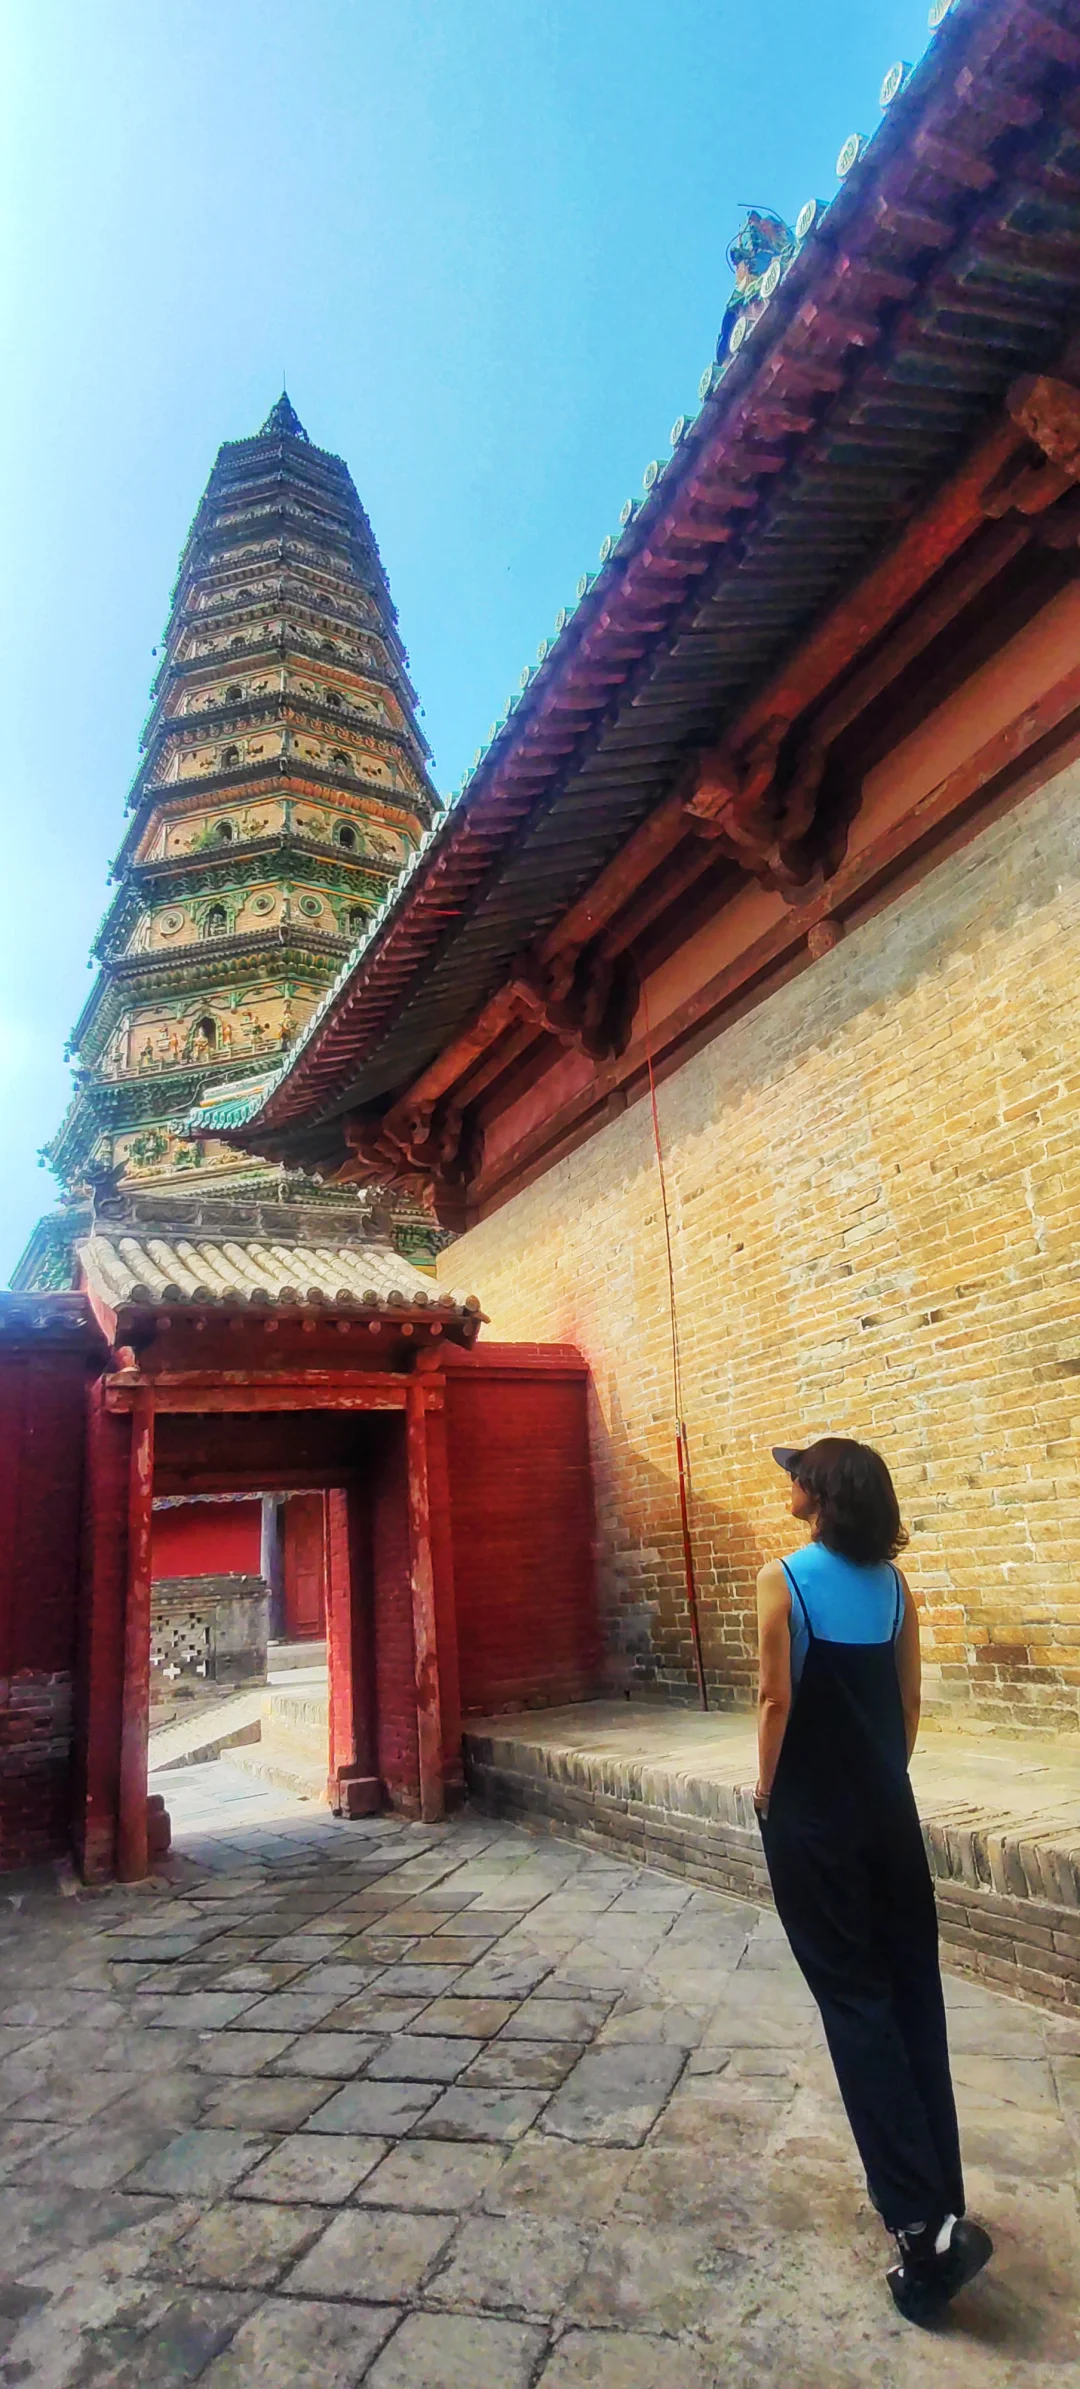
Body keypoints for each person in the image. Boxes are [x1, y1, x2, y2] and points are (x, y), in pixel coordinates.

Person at [754, 1437, 992, 2327]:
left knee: (854, 2006)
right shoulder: (897, 1591)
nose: (788, 1484)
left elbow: (775, 1700)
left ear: (820, 1493)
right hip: (889, 1819)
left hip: (813, 1823)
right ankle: (945, 2194)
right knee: (910, 1996)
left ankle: (922, 2226)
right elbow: (909, 1706)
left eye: (796, 1475)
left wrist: (770, 1791)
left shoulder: (783, 1578)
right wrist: (881, 1780)